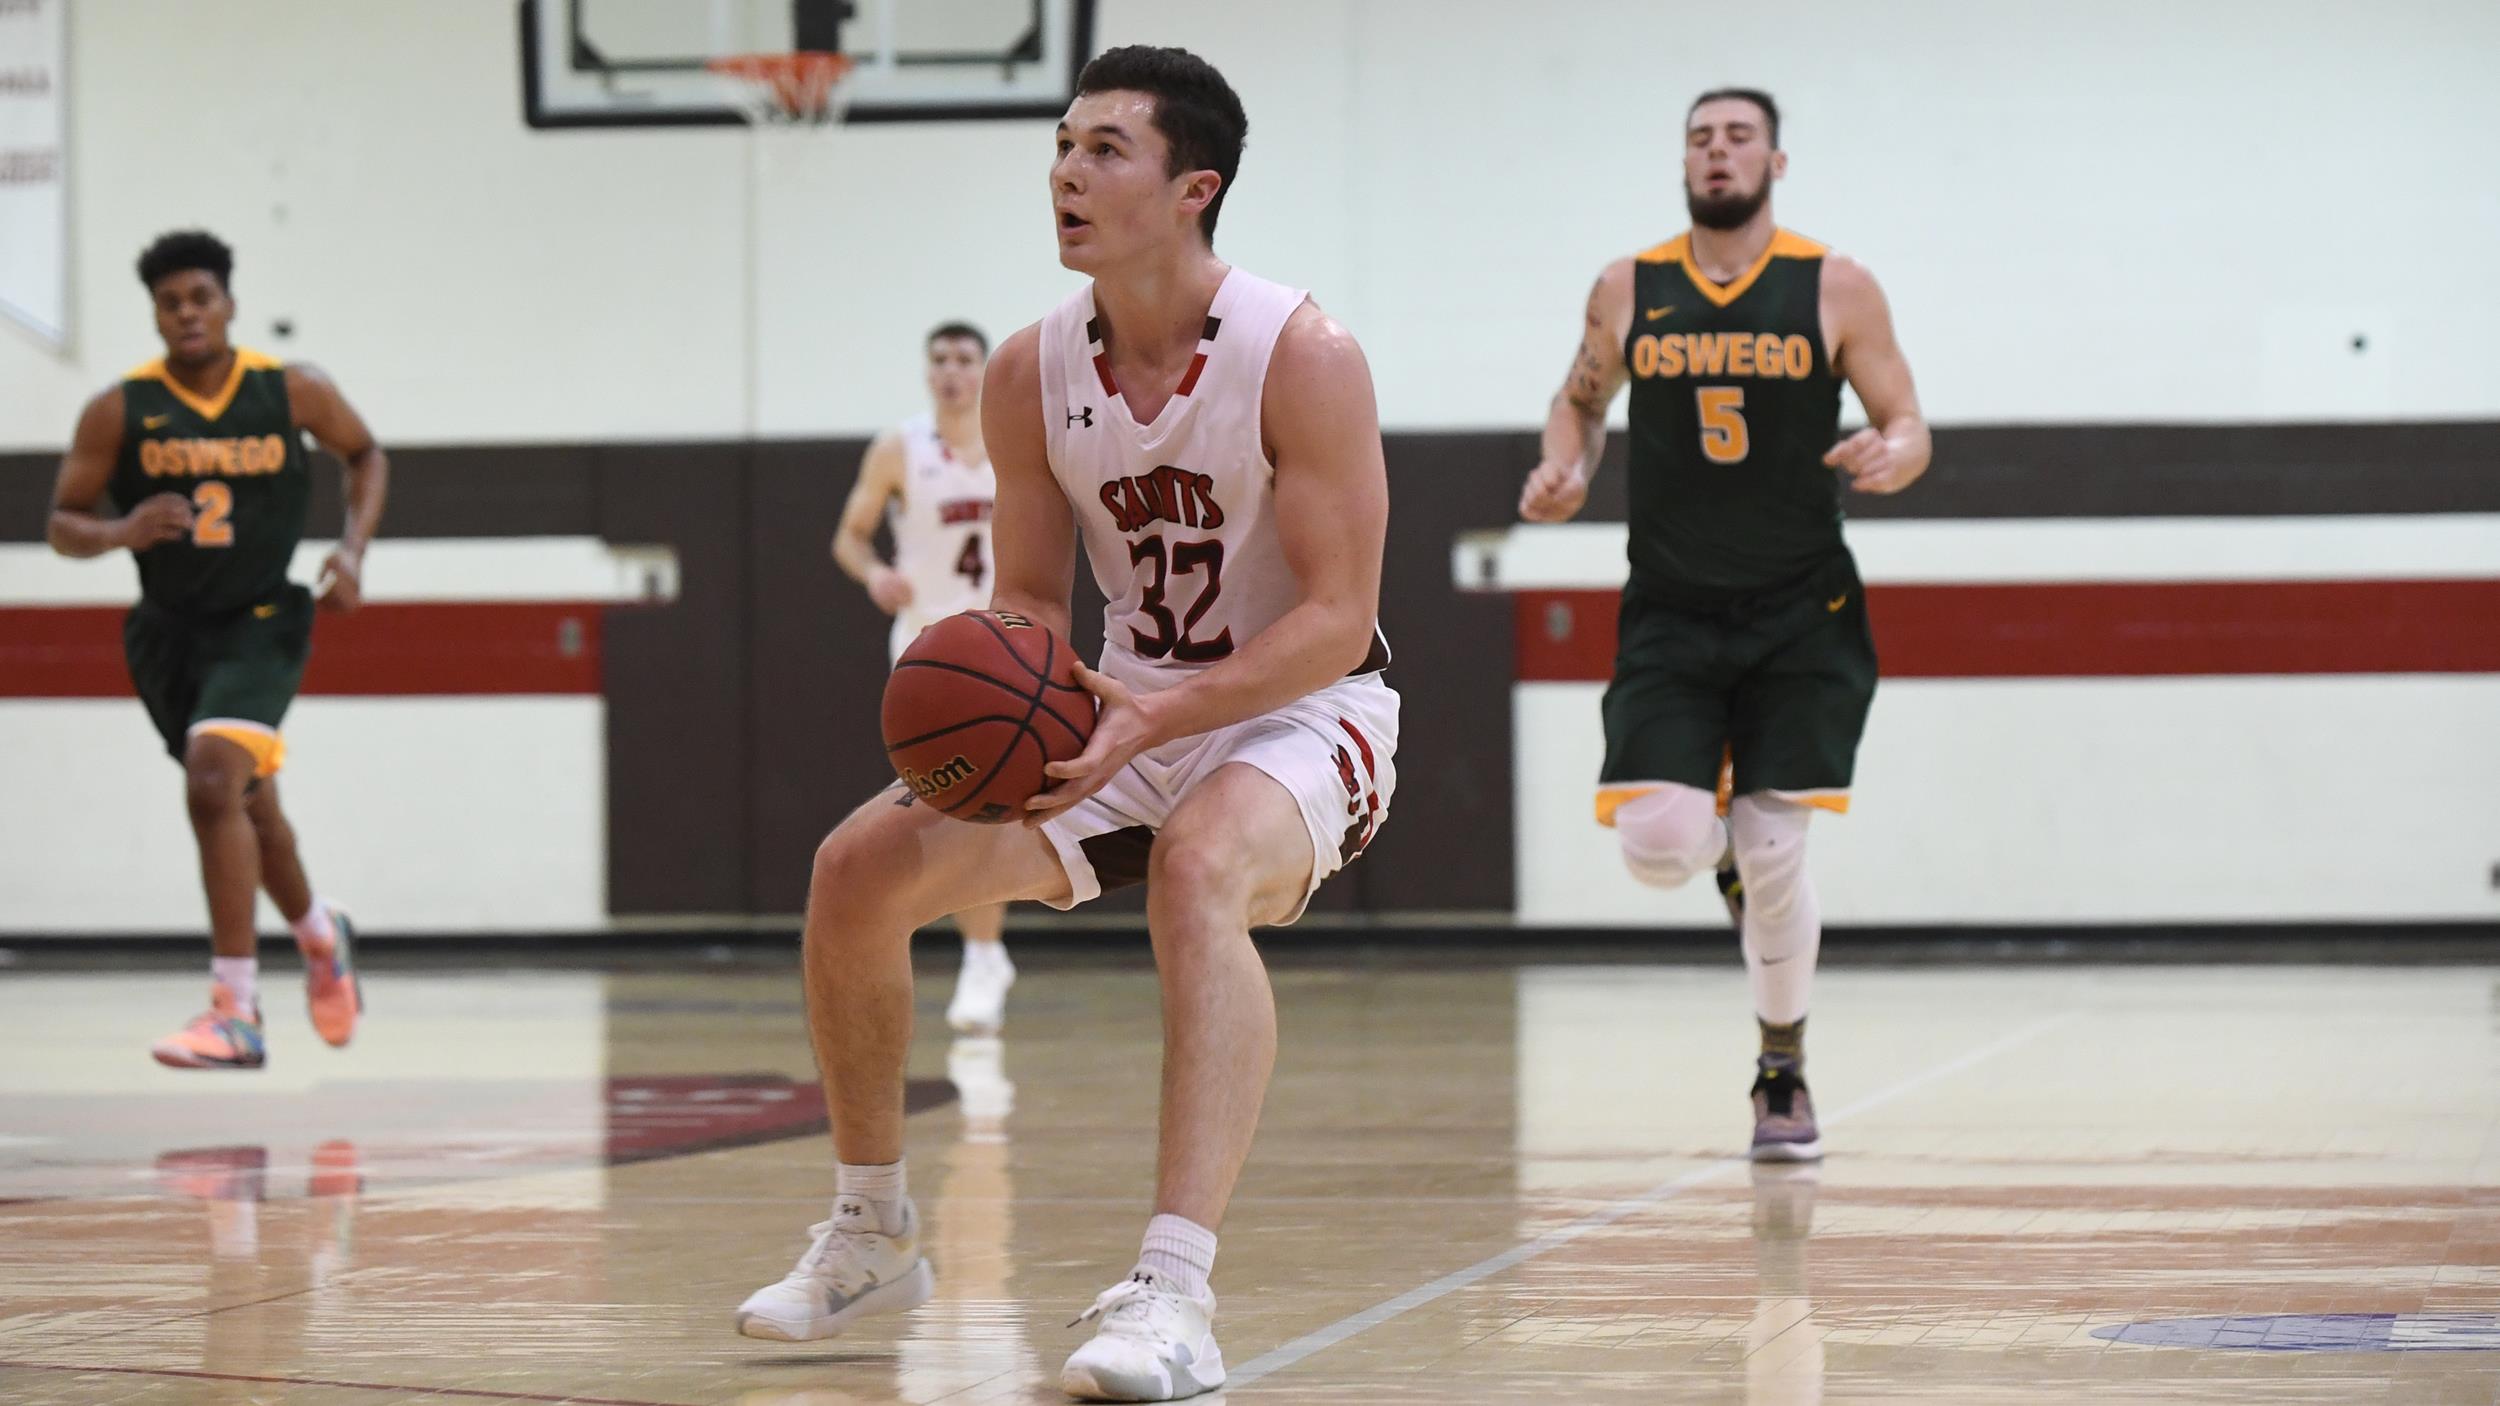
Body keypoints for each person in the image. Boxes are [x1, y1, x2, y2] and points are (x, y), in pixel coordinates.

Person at [735, 45, 1397, 1404]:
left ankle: (1172, 1291)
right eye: (1062, 145)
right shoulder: (1033, 367)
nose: (1067, 172)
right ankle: (872, 1226)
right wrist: (984, 676)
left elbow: (1337, 617)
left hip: (1305, 711)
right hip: (1114, 710)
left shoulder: (1302, 352)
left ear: (1192, 189)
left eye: (1106, 150)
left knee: (1206, 864)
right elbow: (1035, 591)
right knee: (856, 869)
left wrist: (1164, 710)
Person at [1519, 88, 1930, 1162]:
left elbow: (1907, 419)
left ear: (1775, 161)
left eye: (1737, 136)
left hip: (1802, 609)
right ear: (1683, 161)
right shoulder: (1627, 285)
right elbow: (1579, 397)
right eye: (1699, 138)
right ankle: (1726, 866)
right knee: (1658, 843)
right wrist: (1566, 461)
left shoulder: (1832, 283)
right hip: (1671, 605)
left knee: (1777, 842)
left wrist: (1897, 451)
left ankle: (1780, 1065)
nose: (1716, 153)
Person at [45, 229, 390, 1070]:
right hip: (168, 634)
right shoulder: (119, 408)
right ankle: (318, 935)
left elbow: (367, 454)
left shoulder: (292, 391)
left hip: (264, 618)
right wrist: (122, 530)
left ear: (229, 304)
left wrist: (351, 552)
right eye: (171, 303)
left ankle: (235, 1009)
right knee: (248, 805)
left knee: (210, 782)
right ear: (156, 316)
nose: (188, 313)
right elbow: (61, 523)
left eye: (202, 297)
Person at [832, 321, 1017, 1035]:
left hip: (1000, 646)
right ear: (926, 372)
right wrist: (876, 571)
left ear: (983, 370)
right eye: (938, 359)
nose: (951, 371)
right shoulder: (899, 447)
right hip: (922, 647)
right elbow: (848, 535)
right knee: (943, 804)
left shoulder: (1013, 442)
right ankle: (977, 950)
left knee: (980, 805)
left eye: (965, 359)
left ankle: (982, 954)